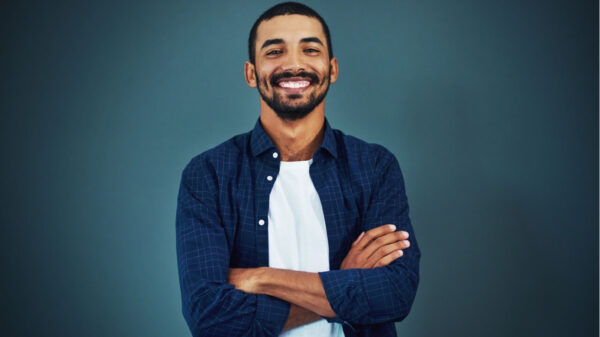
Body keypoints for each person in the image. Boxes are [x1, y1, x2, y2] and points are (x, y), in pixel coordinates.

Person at [176, 2, 420, 337]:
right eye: (275, 51)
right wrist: (345, 280)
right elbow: (208, 317)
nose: (293, 64)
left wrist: (260, 277)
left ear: (332, 69)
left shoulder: (374, 167)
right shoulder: (209, 175)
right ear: (251, 73)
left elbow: (395, 294)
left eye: (310, 49)